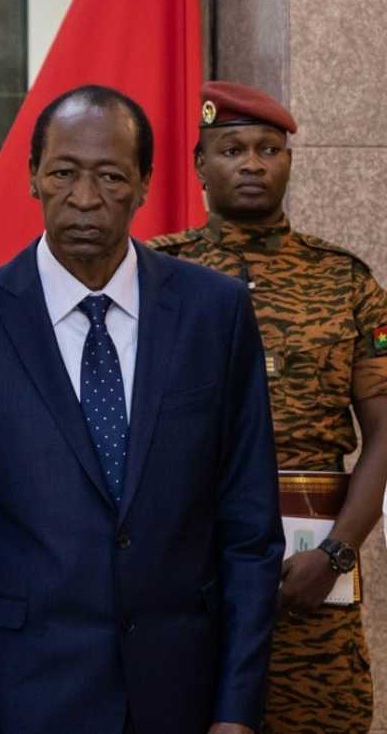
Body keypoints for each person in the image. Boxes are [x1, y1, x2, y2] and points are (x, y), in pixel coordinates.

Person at [0, 85, 284, 734]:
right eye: (63, 173)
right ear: (32, 178)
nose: (84, 198)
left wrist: (236, 711)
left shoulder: (214, 314)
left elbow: (249, 531)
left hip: (182, 700)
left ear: (143, 185)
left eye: (110, 176)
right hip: (23, 701)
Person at [149, 80, 387, 734]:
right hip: (187, 586)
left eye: (268, 149)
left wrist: (336, 554)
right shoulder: (154, 276)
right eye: (232, 149)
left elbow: (385, 433)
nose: (252, 163)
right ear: (200, 164)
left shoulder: (346, 280)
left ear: (287, 160)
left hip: (311, 583)